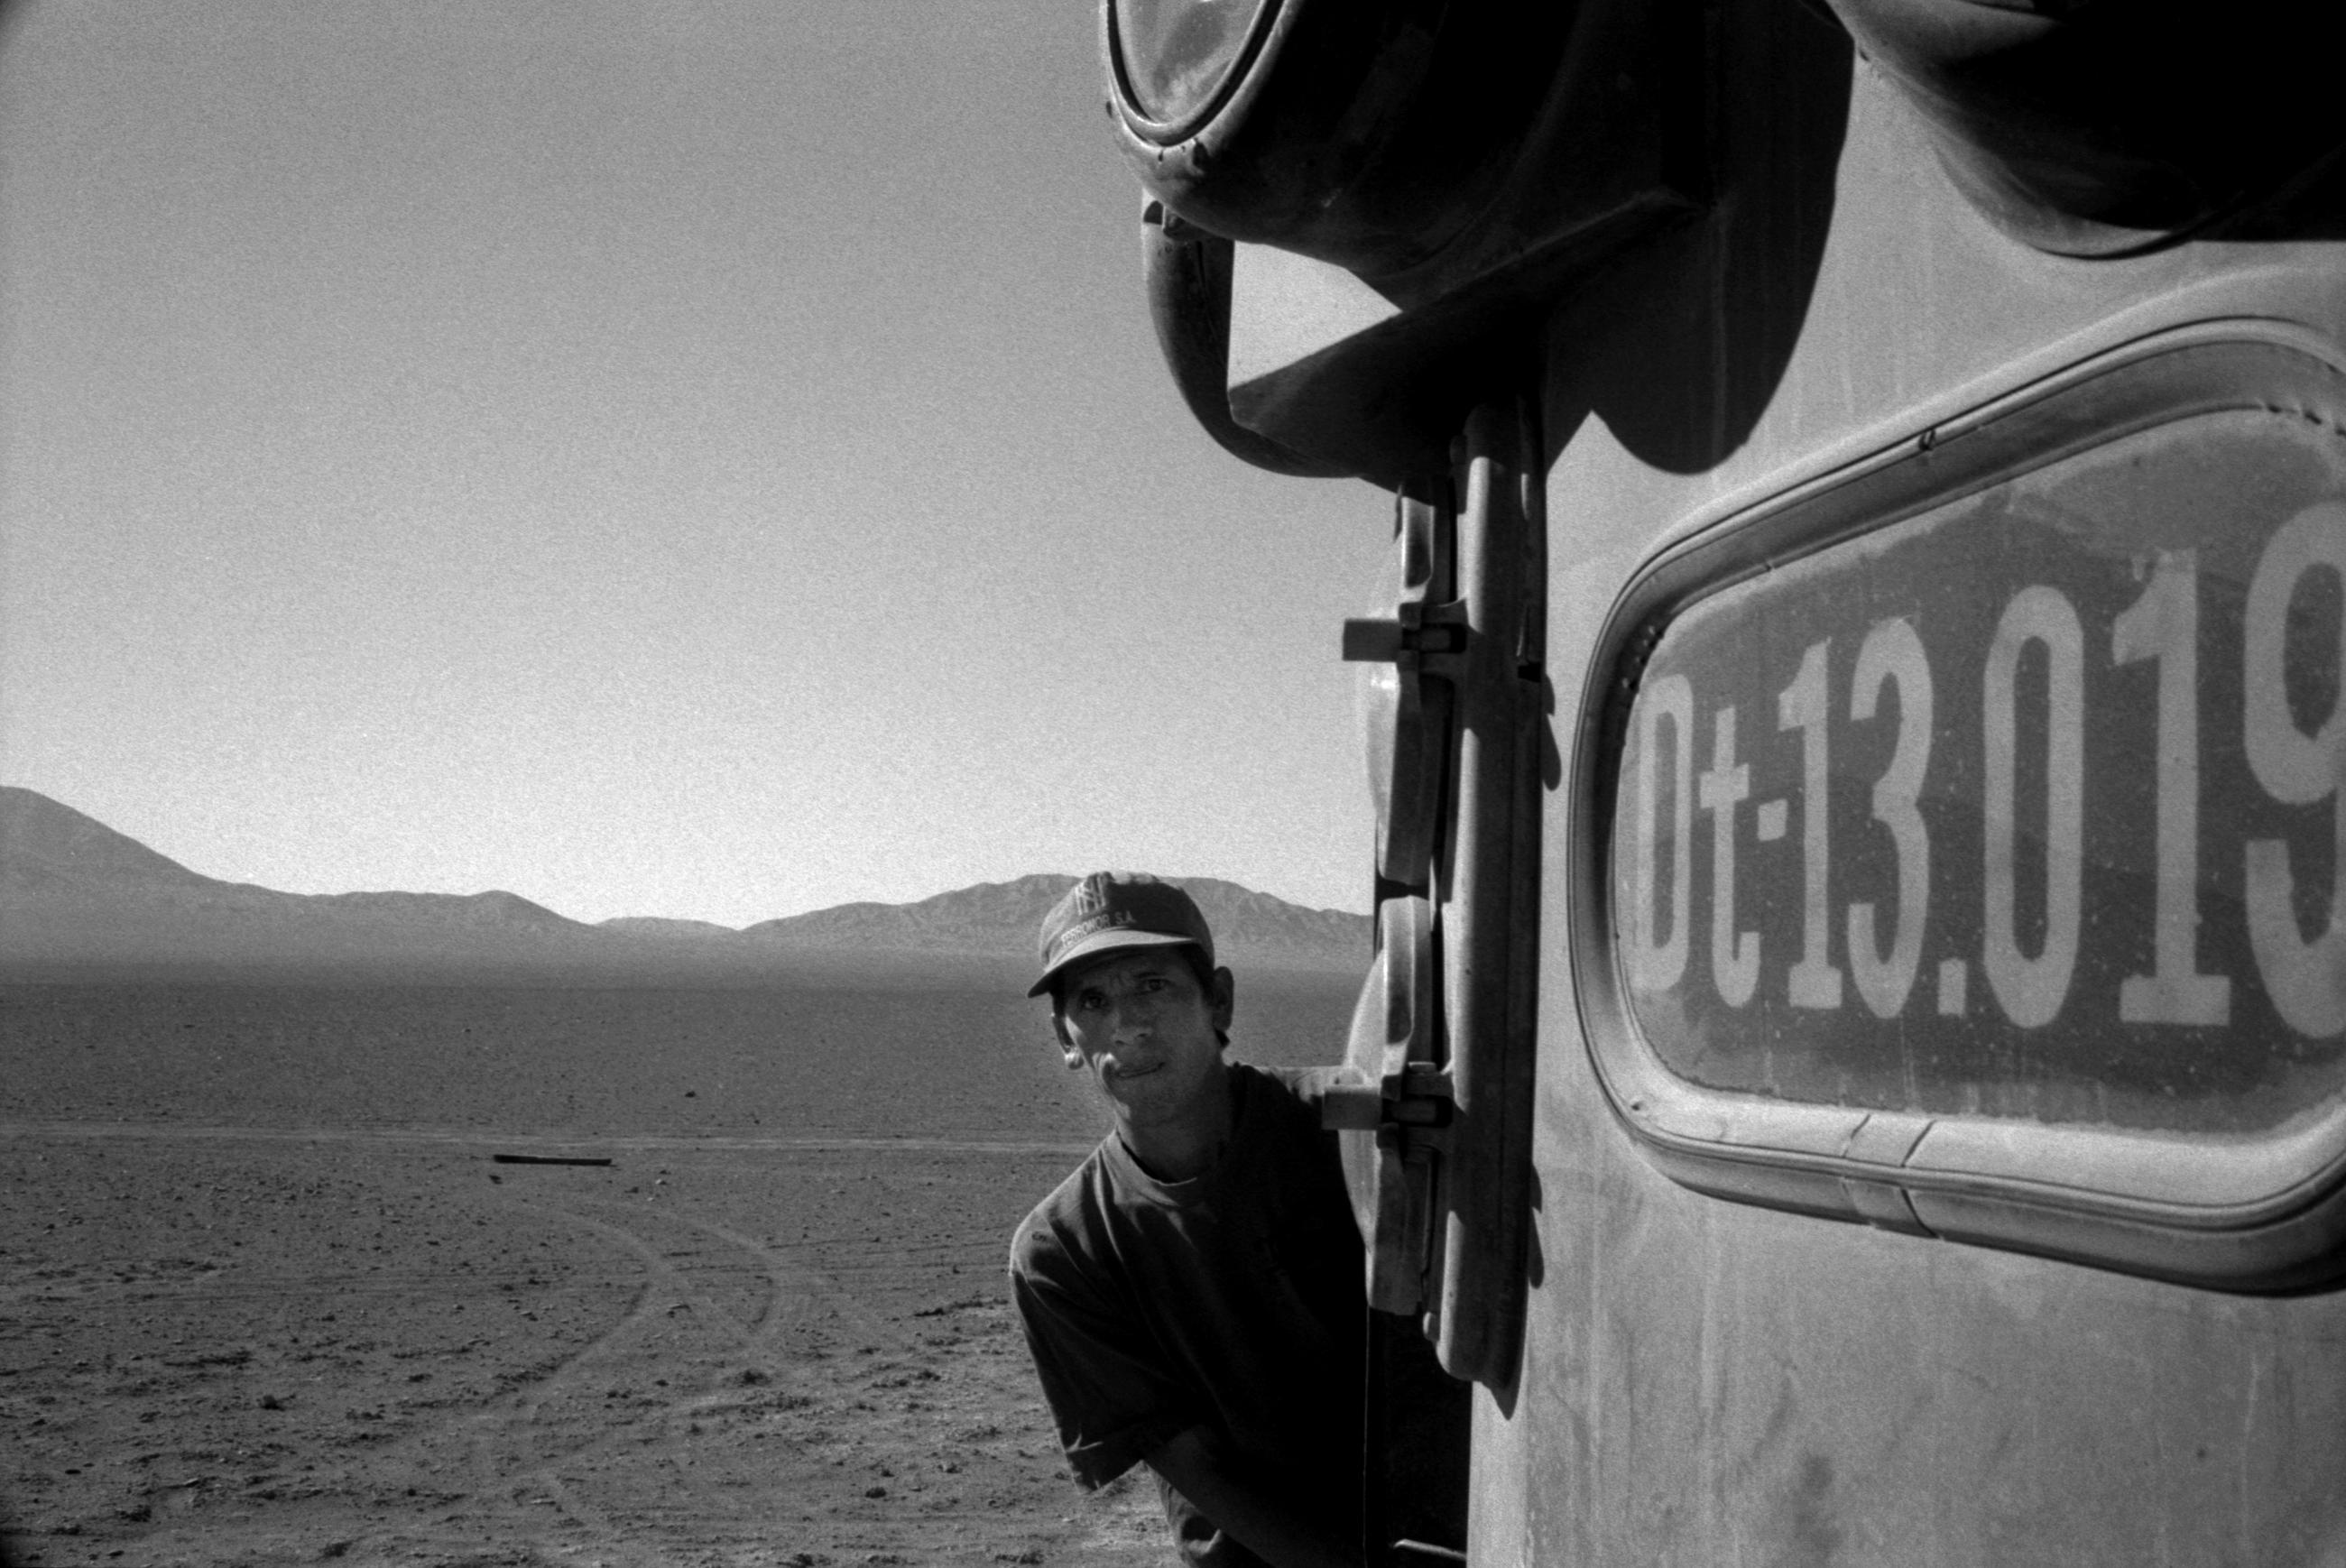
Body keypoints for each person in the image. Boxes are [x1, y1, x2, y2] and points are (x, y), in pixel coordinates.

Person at [1006, 872, 1366, 1568]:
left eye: (1153, 985)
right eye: (1093, 1000)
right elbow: (1194, 1466)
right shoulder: (1062, 1253)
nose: (1128, 1025)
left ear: (1218, 998)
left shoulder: (1356, 1129)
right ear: (1065, 1036)